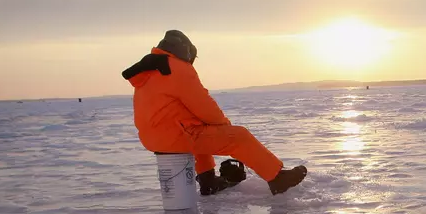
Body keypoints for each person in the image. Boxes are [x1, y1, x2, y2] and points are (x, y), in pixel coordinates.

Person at [122, 30, 307, 196]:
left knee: (196, 131)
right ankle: (277, 178)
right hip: (175, 136)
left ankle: (207, 180)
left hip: (153, 138)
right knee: (239, 137)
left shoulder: (150, 72)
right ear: (185, 51)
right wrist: (226, 128)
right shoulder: (177, 68)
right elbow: (205, 108)